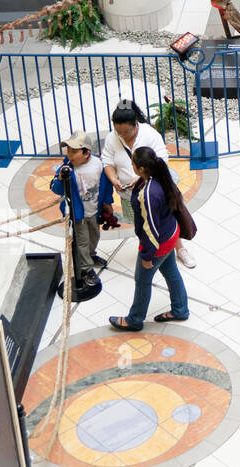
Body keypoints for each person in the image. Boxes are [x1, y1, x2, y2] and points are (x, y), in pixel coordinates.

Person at [101, 98, 195, 269]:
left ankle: (179, 248)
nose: (122, 135)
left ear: (135, 124)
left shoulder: (149, 134)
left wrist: (143, 177)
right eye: (118, 131)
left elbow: (162, 158)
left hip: (156, 189)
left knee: (167, 218)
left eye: (126, 131)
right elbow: (107, 161)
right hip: (131, 193)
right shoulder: (112, 138)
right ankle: (150, 248)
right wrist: (114, 180)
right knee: (142, 222)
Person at [108, 149, 189, 330]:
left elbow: (150, 228)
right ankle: (180, 309)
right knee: (171, 272)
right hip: (170, 234)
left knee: (142, 280)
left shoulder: (149, 194)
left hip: (158, 244)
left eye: (134, 164)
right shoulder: (159, 176)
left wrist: (147, 256)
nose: (131, 166)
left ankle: (134, 319)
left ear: (142, 168)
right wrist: (139, 183)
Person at [48, 129, 109, 283]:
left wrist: (107, 203)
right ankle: (86, 268)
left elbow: (106, 185)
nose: (69, 155)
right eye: (68, 150)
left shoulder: (98, 164)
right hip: (77, 214)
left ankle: (91, 254)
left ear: (86, 153)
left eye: (74, 151)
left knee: (94, 235)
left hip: (94, 210)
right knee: (81, 240)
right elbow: (55, 188)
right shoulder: (67, 168)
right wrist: (61, 179)